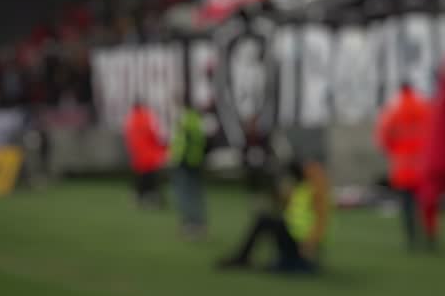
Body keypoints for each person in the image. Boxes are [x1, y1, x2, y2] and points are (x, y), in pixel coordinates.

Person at [217, 158, 331, 273]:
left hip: (301, 241)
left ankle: (247, 259)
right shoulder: (300, 188)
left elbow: (321, 219)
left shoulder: (315, 189)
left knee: (266, 222)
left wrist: (311, 243)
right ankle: (244, 258)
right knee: (265, 220)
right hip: (292, 233)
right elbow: (284, 205)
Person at [376, 83, 431, 250]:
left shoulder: (394, 109)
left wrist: (394, 150)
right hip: (423, 164)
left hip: (403, 165)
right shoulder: (424, 107)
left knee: (407, 204)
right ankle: (430, 235)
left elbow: (384, 135)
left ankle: (411, 238)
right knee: (427, 202)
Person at [170, 102, 208, 239]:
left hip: (185, 163)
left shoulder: (186, 121)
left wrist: (177, 157)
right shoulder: (198, 121)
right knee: (195, 194)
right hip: (195, 162)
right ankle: (198, 223)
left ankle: (191, 223)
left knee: (186, 194)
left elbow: (182, 143)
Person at [124, 101, 167, 208]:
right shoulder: (148, 117)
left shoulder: (131, 119)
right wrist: (162, 149)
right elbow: (156, 134)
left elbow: (129, 138)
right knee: (151, 177)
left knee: (141, 176)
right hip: (150, 154)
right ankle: (152, 198)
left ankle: (139, 197)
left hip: (138, 154)